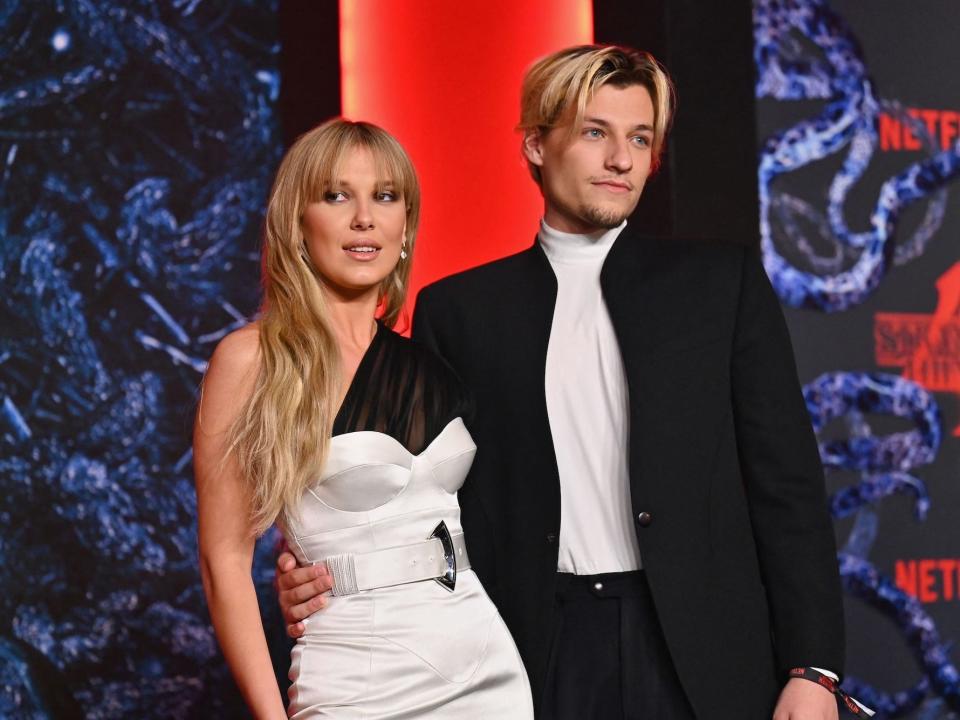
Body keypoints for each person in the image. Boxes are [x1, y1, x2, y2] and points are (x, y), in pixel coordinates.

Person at [277, 46, 853, 719]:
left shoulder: (719, 286)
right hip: (527, 651)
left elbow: (787, 486)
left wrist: (814, 667)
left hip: (704, 647)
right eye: (594, 133)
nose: (621, 159)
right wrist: (318, 571)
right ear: (535, 146)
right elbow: (421, 495)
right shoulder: (460, 311)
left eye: (640, 138)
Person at [194, 119, 533, 719]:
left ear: (405, 222)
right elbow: (223, 561)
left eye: (384, 196)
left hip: (484, 667)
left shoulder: (433, 361)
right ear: (298, 220)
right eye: (336, 195)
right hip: (354, 680)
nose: (364, 218)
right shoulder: (251, 361)